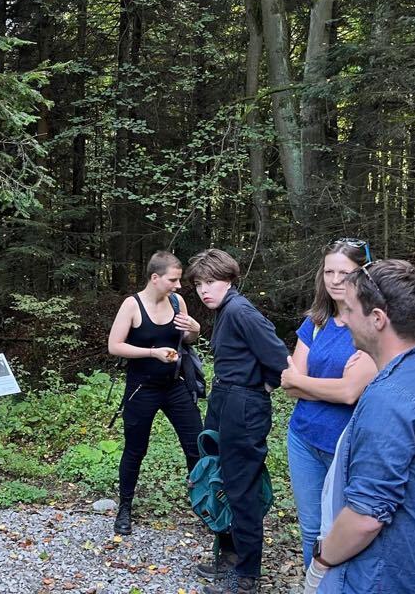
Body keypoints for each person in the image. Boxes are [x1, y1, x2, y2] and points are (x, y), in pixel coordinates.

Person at [302, 259, 415, 594]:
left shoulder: (390, 399)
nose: (344, 319)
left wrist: (321, 562)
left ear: (378, 319)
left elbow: (366, 517)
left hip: (384, 578)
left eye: (350, 310)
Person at [186, 248, 289, 594]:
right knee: (218, 477)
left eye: (211, 281)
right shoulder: (225, 310)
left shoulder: (242, 311)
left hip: (243, 404)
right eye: (199, 284)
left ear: (229, 279)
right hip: (224, 398)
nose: (204, 290)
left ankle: (246, 577)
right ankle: (229, 557)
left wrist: (264, 386)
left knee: (241, 487)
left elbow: (280, 358)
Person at [280, 239, 378, 568]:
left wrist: (305, 383)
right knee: (311, 528)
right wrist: (330, 386)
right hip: (303, 438)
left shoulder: (373, 323)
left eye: (344, 273)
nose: (335, 280)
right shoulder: (317, 321)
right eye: (328, 272)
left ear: (363, 273)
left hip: (346, 444)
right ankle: (314, 585)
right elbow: (290, 386)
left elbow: (350, 393)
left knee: (344, 529)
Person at [107, 250, 203, 537]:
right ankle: (125, 508)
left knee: (196, 446)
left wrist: (195, 330)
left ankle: (203, 504)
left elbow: (188, 338)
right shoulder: (132, 305)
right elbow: (115, 346)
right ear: (155, 278)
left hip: (176, 385)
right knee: (135, 450)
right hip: (142, 388)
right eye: (173, 280)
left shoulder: (177, 302)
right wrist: (152, 353)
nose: (178, 285)